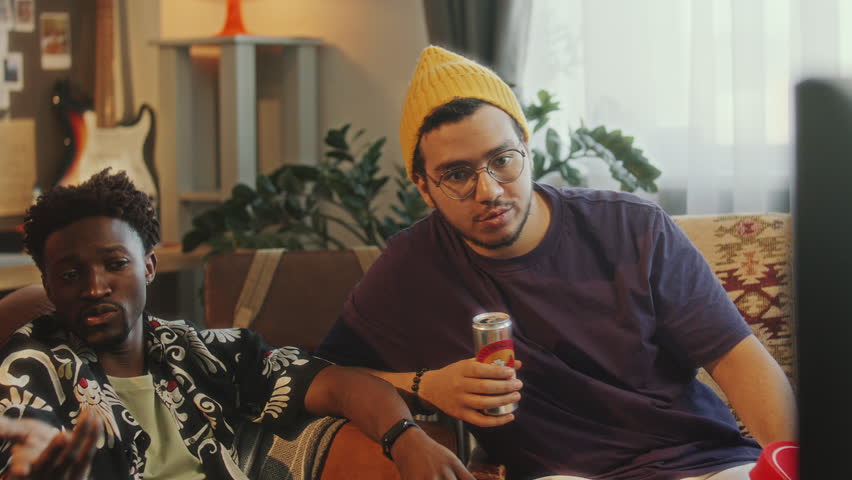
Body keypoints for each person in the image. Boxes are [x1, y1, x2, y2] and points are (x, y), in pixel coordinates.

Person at [315, 45, 798, 480]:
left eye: (502, 160)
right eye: (457, 175)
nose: (489, 191)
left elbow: (737, 360)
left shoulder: (635, 228)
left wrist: (790, 460)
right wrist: (426, 386)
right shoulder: (411, 268)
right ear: (422, 186)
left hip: (704, 464)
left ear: (526, 147)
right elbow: (320, 375)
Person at [0, 169, 471, 480]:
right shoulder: (32, 365)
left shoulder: (197, 351)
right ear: (46, 282)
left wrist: (405, 439)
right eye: (69, 274)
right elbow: (27, 450)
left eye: (114, 264)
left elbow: (341, 384)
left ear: (147, 267)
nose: (95, 286)